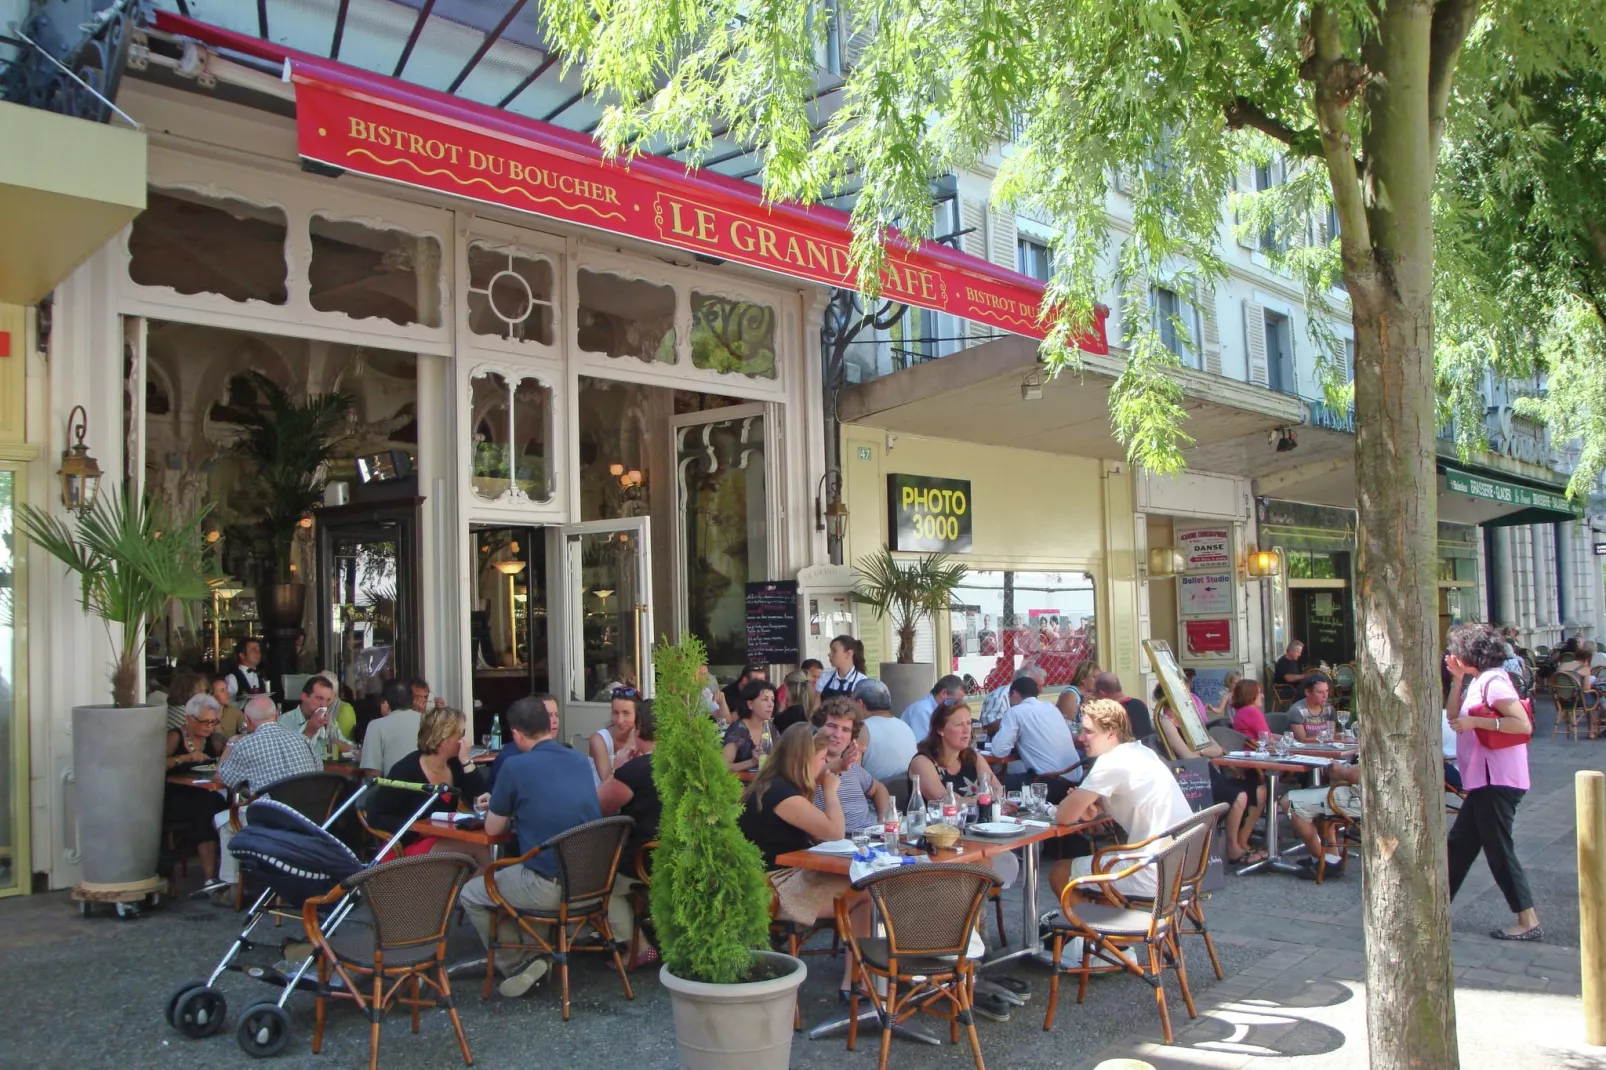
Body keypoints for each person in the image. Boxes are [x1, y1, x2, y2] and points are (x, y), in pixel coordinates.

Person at [458, 694, 625, 999]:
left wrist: (506, 809)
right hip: (594, 884)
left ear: (517, 735)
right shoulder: (577, 758)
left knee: (472, 892)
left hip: (551, 888)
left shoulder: (516, 767)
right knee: (513, 878)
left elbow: (493, 827)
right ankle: (535, 948)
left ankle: (523, 960)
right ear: (549, 727)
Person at [737, 723, 868, 998]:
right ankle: (857, 983)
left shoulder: (773, 785)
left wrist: (833, 770)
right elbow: (834, 833)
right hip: (774, 888)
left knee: (866, 884)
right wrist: (830, 790)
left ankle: (860, 980)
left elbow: (819, 835)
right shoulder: (781, 795)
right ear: (803, 760)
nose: (823, 767)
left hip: (778, 876)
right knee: (867, 890)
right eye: (820, 759)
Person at [1445, 622, 1542, 941]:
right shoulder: (1477, 680)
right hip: (1485, 780)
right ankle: (1437, 908)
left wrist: (1476, 720)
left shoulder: (1494, 681)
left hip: (1497, 780)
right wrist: (1456, 682)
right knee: (1459, 846)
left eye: (1455, 650)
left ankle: (1527, 919)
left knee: (1498, 850)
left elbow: (1522, 724)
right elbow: (1452, 716)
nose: (1451, 655)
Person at [1050, 699, 1192, 897]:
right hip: (1185, 869)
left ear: (1111, 732)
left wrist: (1075, 805)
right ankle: (1107, 922)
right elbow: (1105, 808)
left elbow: (1063, 817)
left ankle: (1092, 927)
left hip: (1151, 871)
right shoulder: (1141, 752)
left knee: (1060, 872)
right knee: (1102, 870)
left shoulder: (1110, 762)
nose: (1080, 738)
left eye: (1089, 732)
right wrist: (1092, 808)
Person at [211, 694, 324, 894]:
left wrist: (231, 743)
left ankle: (233, 886)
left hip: (271, 822)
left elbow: (222, 777)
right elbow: (318, 777)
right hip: (308, 820)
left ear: (246, 721)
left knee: (223, 821)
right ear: (277, 715)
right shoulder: (304, 741)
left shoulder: (245, 745)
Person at [366, 706, 490, 864]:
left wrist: (466, 761)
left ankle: (473, 889)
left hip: (443, 838)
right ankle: (482, 888)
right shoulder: (406, 770)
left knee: (479, 848)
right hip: (408, 846)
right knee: (476, 850)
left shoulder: (454, 764)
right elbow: (376, 815)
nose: (465, 740)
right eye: (461, 734)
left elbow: (482, 797)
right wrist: (418, 829)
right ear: (444, 738)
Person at [1155, 699, 1267, 865]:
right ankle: (1233, 849)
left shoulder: (1191, 720)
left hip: (1210, 771)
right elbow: (1189, 756)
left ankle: (1242, 841)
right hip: (1192, 776)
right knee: (1240, 796)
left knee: (1260, 789)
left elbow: (1218, 749)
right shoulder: (1167, 721)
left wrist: (1202, 750)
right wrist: (1203, 750)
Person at [163, 692, 230, 893]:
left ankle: (227, 873)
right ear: (189, 719)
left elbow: (228, 758)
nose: (209, 726)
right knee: (207, 807)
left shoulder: (214, 740)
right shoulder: (175, 737)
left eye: (213, 721)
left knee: (219, 806)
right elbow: (157, 763)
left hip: (204, 794)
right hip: (176, 797)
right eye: (204, 722)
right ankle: (212, 877)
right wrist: (183, 759)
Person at [990, 676, 1082, 795]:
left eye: (1009, 697)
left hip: (1049, 784)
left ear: (1014, 694)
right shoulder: (1051, 708)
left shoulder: (1015, 712)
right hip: (1076, 781)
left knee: (995, 783)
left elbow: (998, 751)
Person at [813, 699, 889, 832]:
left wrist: (883, 819)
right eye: (832, 726)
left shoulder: (852, 766)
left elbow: (879, 789)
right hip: (838, 843)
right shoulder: (810, 764)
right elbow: (815, 779)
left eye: (845, 730)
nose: (838, 735)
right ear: (819, 728)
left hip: (872, 836)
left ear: (851, 737)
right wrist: (840, 766)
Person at [909, 698, 1002, 802]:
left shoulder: (972, 756)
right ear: (940, 729)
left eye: (968, 723)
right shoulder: (922, 762)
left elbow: (997, 789)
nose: (967, 730)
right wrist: (981, 800)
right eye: (959, 724)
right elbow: (947, 802)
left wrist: (990, 798)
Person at [854, 678, 919, 782]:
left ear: (859, 703)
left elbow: (852, 775)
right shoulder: (906, 726)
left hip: (871, 795)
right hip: (908, 792)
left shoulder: (862, 728)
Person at [359, 680, 424, 777]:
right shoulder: (428, 721)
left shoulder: (376, 726)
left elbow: (373, 773)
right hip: (429, 788)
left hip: (394, 789)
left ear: (385, 703)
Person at [279, 675, 351, 758]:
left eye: (328, 700)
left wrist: (332, 738)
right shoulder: (285, 721)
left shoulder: (330, 721)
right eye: (319, 698)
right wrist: (310, 731)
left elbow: (351, 750)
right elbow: (285, 757)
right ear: (304, 696)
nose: (324, 705)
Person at [723, 678, 779, 773]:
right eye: (765, 699)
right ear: (750, 704)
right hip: (743, 785)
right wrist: (752, 762)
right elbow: (724, 767)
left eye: (772, 700)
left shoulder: (770, 727)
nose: (771, 704)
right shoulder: (738, 730)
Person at [589, 687, 642, 784]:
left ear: (637, 715)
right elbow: (607, 785)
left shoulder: (642, 739)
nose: (619, 720)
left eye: (626, 713)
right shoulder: (599, 739)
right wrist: (619, 762)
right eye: (615, 713)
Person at [980, 664, 1045, 737]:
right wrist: (1013, 718)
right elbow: (987, 729)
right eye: (1038, 686)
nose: (1041, 691)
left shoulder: (1031, 698)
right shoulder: (1000, 698)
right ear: (1024, 682)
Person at [899, 674, 966, 739]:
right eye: (957, 701)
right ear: (944, 693)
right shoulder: (922, 710)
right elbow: (923, 745)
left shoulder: (941, 710)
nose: (958, 705)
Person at [1091, 672, 1154, 741]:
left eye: (1095, 693)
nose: (1094, 696)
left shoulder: (1109, 713)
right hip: (1146, 749)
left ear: (1102, 694)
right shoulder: (1141, 703)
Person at [1287, 673, 1335, 742]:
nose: (1325, 696)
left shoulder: (1329, 709)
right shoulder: (1297, 711)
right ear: (1307, 692)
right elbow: (1304, 741)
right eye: (1320, 692)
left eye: (1327, 691)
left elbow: (1331, 737)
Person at [1056, 662, 1100, 733]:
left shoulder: (1094, 695)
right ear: (1083, 678)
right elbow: (1067, 725)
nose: (1098, 681)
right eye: (1095, 677)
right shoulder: (1071, 694)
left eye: (1099, 678)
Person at [226, 637, 270, 703]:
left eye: (258, 650)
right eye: (253, 650)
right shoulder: (232, 678)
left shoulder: (261, 676)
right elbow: (229, 704)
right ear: (242, 655)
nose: (258, 653)